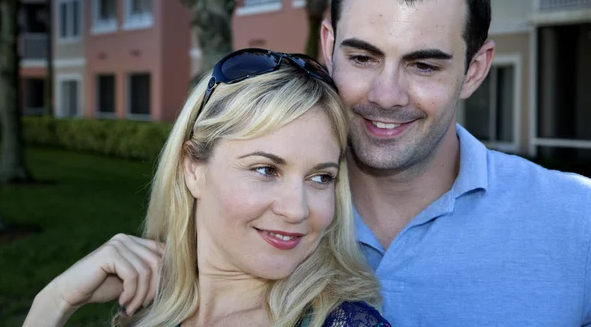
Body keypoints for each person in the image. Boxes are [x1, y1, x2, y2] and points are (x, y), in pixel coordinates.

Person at [320, 0, 591, 325]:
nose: (386, 95)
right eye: (363, 58)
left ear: (474, 70)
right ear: (329, 48)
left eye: (424, 65)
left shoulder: (578, 220)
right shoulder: (261, 215)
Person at [23, 49, 391, 327]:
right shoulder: (146, 314)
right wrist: (54, 301)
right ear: (193, 169)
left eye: (320, 178)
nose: (296, 210)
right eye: (266, 169)